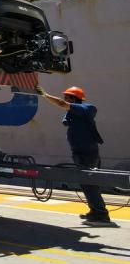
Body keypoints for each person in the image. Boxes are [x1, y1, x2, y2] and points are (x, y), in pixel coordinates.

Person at [36, 85, 112, 226]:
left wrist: (45, 95)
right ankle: (95, 211)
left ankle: (101, 214)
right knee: (86, 182)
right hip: (81, 151)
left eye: (67, 97)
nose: (65, 99)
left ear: (73, 98)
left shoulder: (86, 108)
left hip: (87, 152)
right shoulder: (72, 112)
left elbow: (61, 103)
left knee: (89, 182)